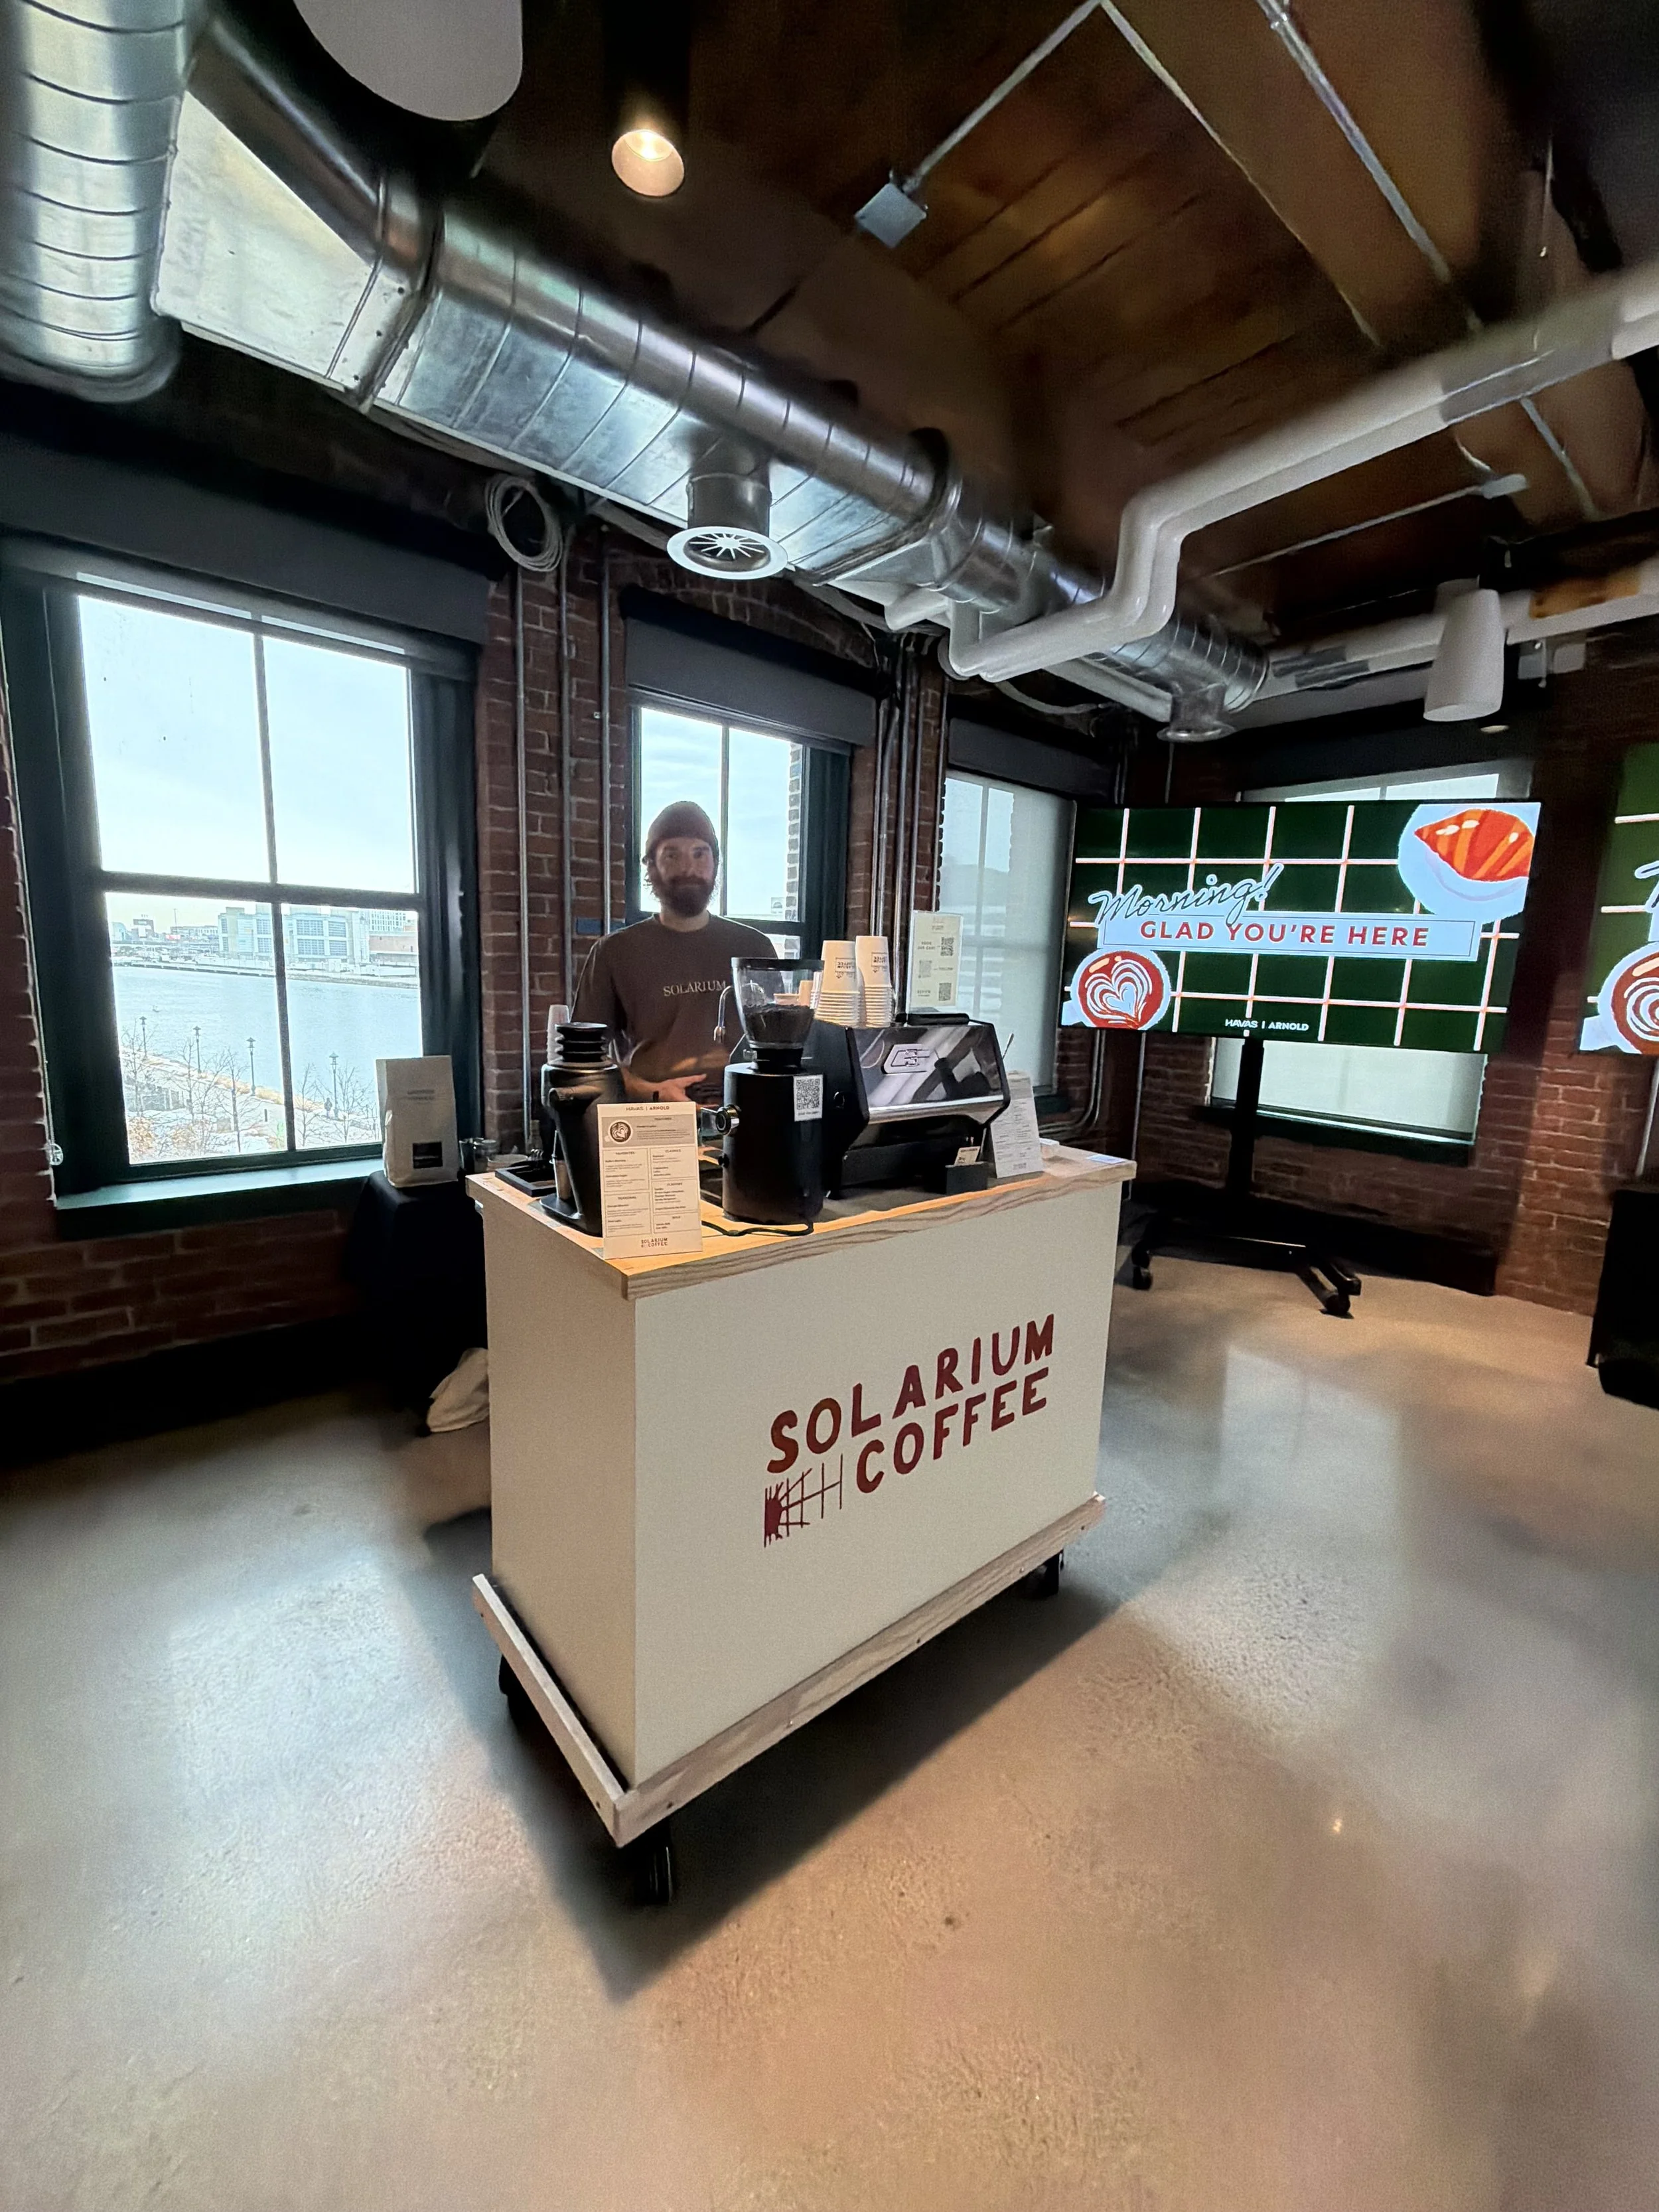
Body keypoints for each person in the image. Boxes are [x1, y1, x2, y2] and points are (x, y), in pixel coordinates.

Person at [572, 800, 777, 1102]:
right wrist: (652, 1091)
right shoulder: (614, 953)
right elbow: (585, 1059)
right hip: (653, 1120)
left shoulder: (755, 948)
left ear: (715, 862)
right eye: (672, 855)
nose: (688, 868)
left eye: (699, 853)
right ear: (651, 865)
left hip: (747, 1115)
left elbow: (780, 1045)